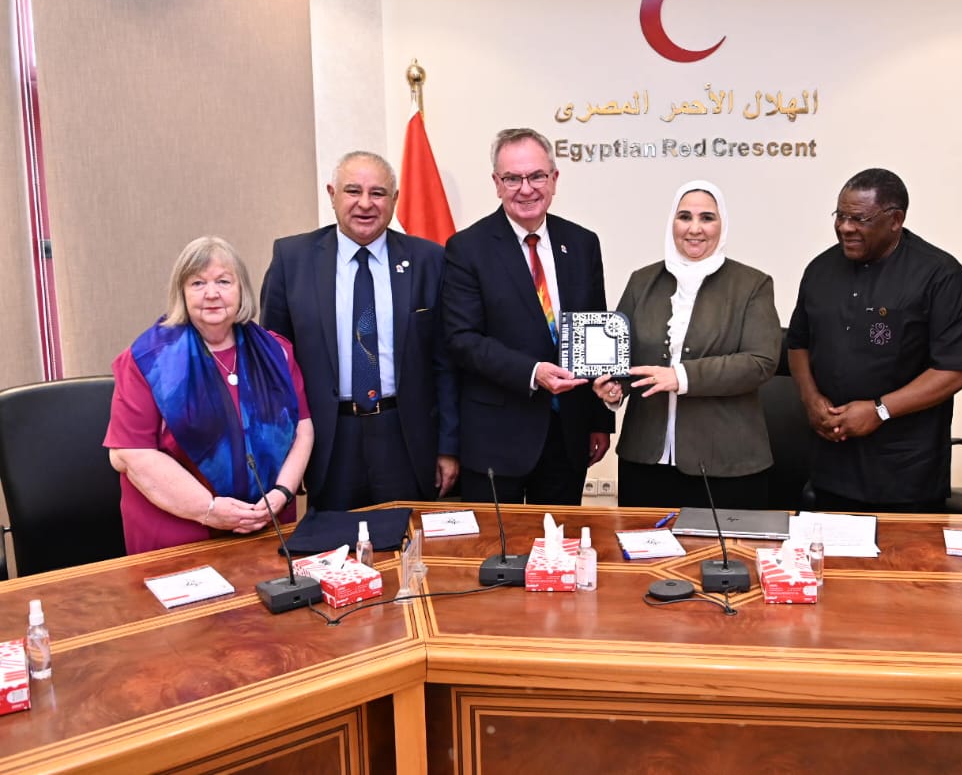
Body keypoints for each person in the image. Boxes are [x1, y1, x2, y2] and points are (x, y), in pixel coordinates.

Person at [260, 151, 459, 510]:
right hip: (328, 440)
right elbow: (274, 365)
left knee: (406, 539)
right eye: (353, 191)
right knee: (332, 543)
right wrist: (287, 451)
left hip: (406, 437)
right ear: (332, 194)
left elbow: (445, 362)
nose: (365, 204)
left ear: (394, 200)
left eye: (378, 193)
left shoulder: (429, 259)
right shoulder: (293, 259)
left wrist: (448, 447)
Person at [788, 168, 962, 513]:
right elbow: (798, 342)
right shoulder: (819, 269)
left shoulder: (941, 276)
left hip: (904, 471)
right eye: (840, 216)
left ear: (896, 220)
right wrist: (810, 398)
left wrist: (880, 410)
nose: (846, 227)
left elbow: (958, 368)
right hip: (831, 460)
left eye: (859, 219)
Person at [105, 237, 314, 554]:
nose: (212, 293)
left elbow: (303, 428)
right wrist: (210, 509)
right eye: (198, 283)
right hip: (180, 535)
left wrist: (282, 493)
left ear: (241, 289)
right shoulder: (148, 360)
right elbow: (132, 454)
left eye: (223, 281)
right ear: (182, 292)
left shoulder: (277, 352)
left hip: (267, 523)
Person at [443, 127, 613, 505]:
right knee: (496, 541)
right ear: (496, 183)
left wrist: (599, 420)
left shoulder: (582, 243)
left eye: (536, 176)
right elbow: (462, 339)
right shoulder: (467, 248)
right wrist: (533, 372)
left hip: (567, 436)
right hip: (496, 438)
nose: (526, 189)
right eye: (512, 178)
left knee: (560, 539)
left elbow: (595, 333)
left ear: (554, 179)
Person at [592, 180, 779, 509]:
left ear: (722, 224)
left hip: (726, 463)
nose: (695, 228)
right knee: (642, 543)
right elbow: (621, 356)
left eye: (707, 218)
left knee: (721, 546)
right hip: (645, 458)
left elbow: (760, 362)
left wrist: (681, 376)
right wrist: (614, 388)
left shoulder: (752, 284)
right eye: (684, 217)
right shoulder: (642, 282)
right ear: (672, 223)